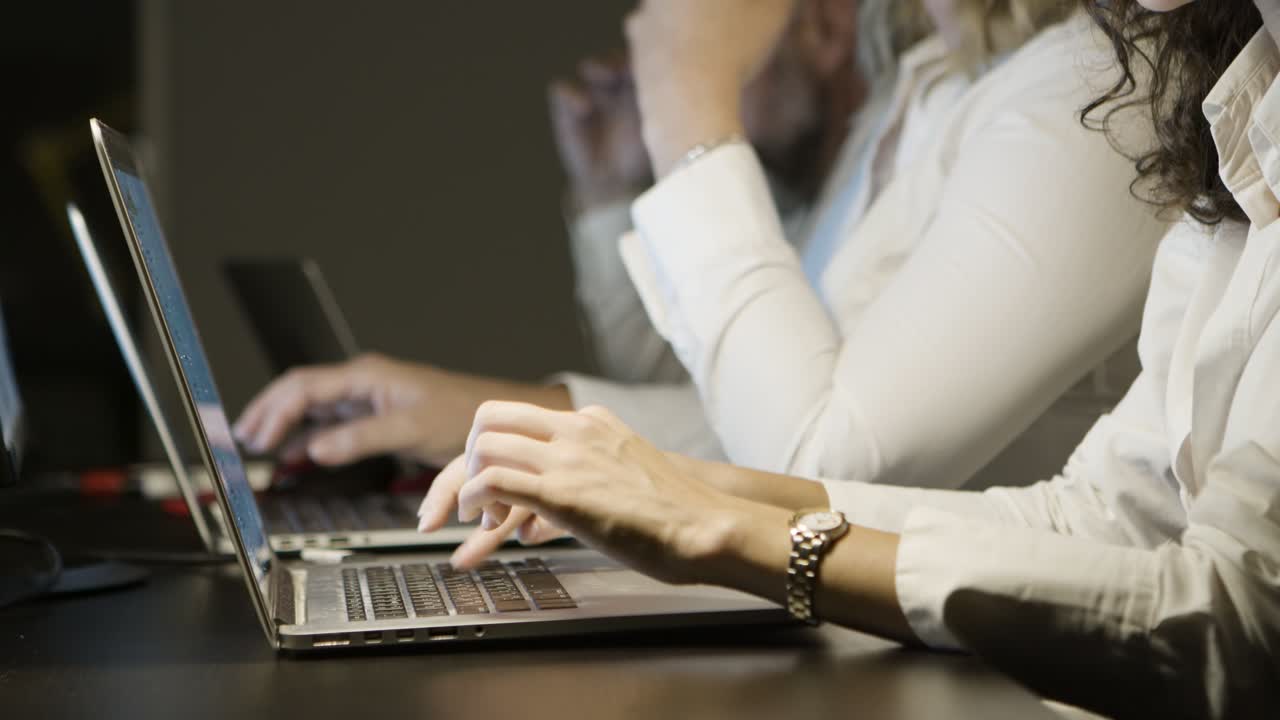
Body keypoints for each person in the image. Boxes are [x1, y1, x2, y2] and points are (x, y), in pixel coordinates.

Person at [418, 0, 1280, 716]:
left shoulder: (1102, 86)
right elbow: (1107, 517)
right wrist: (679, 489)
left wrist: (731, 528)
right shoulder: (1230, 109)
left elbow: (1233, 621)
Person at [234, 0, 1167, 497]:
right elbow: (749, 407)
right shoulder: (929, 86)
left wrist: (686, 89)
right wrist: (494, 415)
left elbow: (817, 471)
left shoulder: (1099, 88)